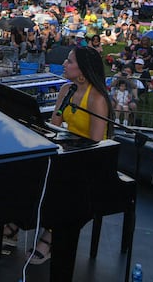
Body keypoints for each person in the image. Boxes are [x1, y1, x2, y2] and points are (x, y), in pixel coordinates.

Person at [27, 46, 112, 265]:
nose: (64, 64)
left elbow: (95, 143)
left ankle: (51, 234)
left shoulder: (97, 98)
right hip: (70, 153)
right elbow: (55, 125)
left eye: (69, 61)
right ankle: (21, 220)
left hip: (91, 161)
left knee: (63, 185)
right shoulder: (66, 90)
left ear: (83, 70)